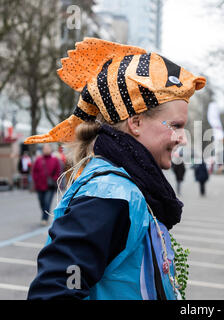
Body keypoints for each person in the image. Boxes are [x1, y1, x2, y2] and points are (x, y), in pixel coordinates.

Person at [25, 38, 206, 300]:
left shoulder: (126, 187)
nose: (183, 137)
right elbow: (55, 289)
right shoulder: (109, 195)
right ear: (136, 122)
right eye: (175, 126)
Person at [31, 144, 61, 226]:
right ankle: (45, 214)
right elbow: (34, 171)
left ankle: (44, 218)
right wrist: (36, 180)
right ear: (42, 150)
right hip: (39, 185)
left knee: (47, 202)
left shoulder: (55, 160)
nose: (46, 150)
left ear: (51, 149)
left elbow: (58, 171)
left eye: (48, 148)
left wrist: (54, 179)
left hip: (50, 186)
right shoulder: (38, 160)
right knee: (42, 202)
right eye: (45, 148)